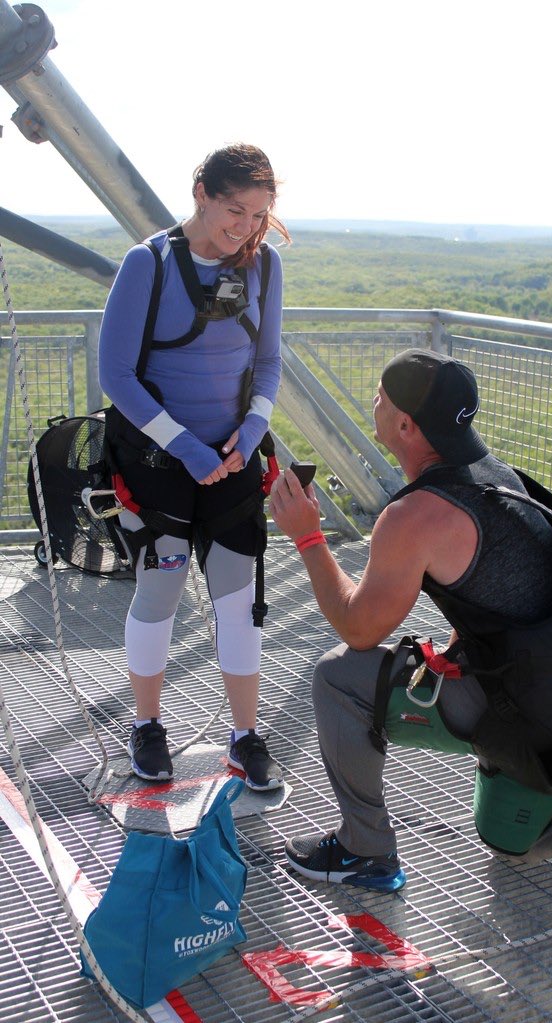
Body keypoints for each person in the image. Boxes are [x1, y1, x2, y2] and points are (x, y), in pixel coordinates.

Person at [269, 348, 552, 891]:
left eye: (381, 397)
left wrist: (307, 535)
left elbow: (358, 628)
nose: (374, 402)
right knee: (512, 837)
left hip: (529, 718)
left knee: (339, 678)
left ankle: (363, 851)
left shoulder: (416, 515)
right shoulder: (500, 475)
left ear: (404, 424)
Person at [99, 143, 291, 790]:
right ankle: (148, 726)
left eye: (259, 215)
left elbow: (266, 361)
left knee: (238, 600)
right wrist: (186, 446)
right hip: (158, 457)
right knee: (163, 587)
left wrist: (254, 427)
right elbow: (118, 375)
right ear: (201, 191)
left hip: (232, 455)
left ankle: (244, 735)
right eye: (234, 209)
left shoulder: (262, 267)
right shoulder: (146, 264)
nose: (244, 226)